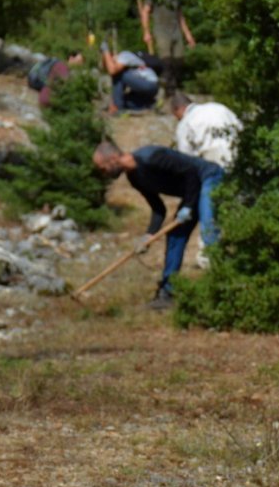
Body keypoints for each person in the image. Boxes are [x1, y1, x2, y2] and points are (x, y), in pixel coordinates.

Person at [92, 141, 224, 308]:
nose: (104, 174)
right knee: (175, 235)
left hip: (209, 177)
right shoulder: (135, 178)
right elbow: (158, 208)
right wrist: (149, 235)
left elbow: (191, 172)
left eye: (103, 168)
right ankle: (168, 292)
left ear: (112, 158)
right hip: (192, 190)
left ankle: (224, 285)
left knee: (209, 232)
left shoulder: (152, 157)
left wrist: (188, 207)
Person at [168, 90, 243, 268]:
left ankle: (209, 255)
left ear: (178, 110)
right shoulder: (219, 108)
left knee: (209, 208)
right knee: (239, 202)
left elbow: (186, 160)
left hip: (212, 161)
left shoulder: (185, 123)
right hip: (237, 155)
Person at [138, 0, 196, 91]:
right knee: (166, 61)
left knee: (179, 61)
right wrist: (146, 31)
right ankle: (167, 89)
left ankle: (176, 87)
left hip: (176, 31)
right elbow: (145, 12)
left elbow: (180, 16)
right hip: (161, 31)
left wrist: (188, 35)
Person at [99, 43, 159, 113]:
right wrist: (113, 101)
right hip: (143, 91)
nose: (109, 66)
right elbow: (118, 88)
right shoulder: (122, 68)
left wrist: (106, 50)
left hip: (150, 84)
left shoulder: (124, 55)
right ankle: (150, 103)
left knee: (118, 74)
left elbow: (112, 71)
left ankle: (118, 108)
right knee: (124, 100)